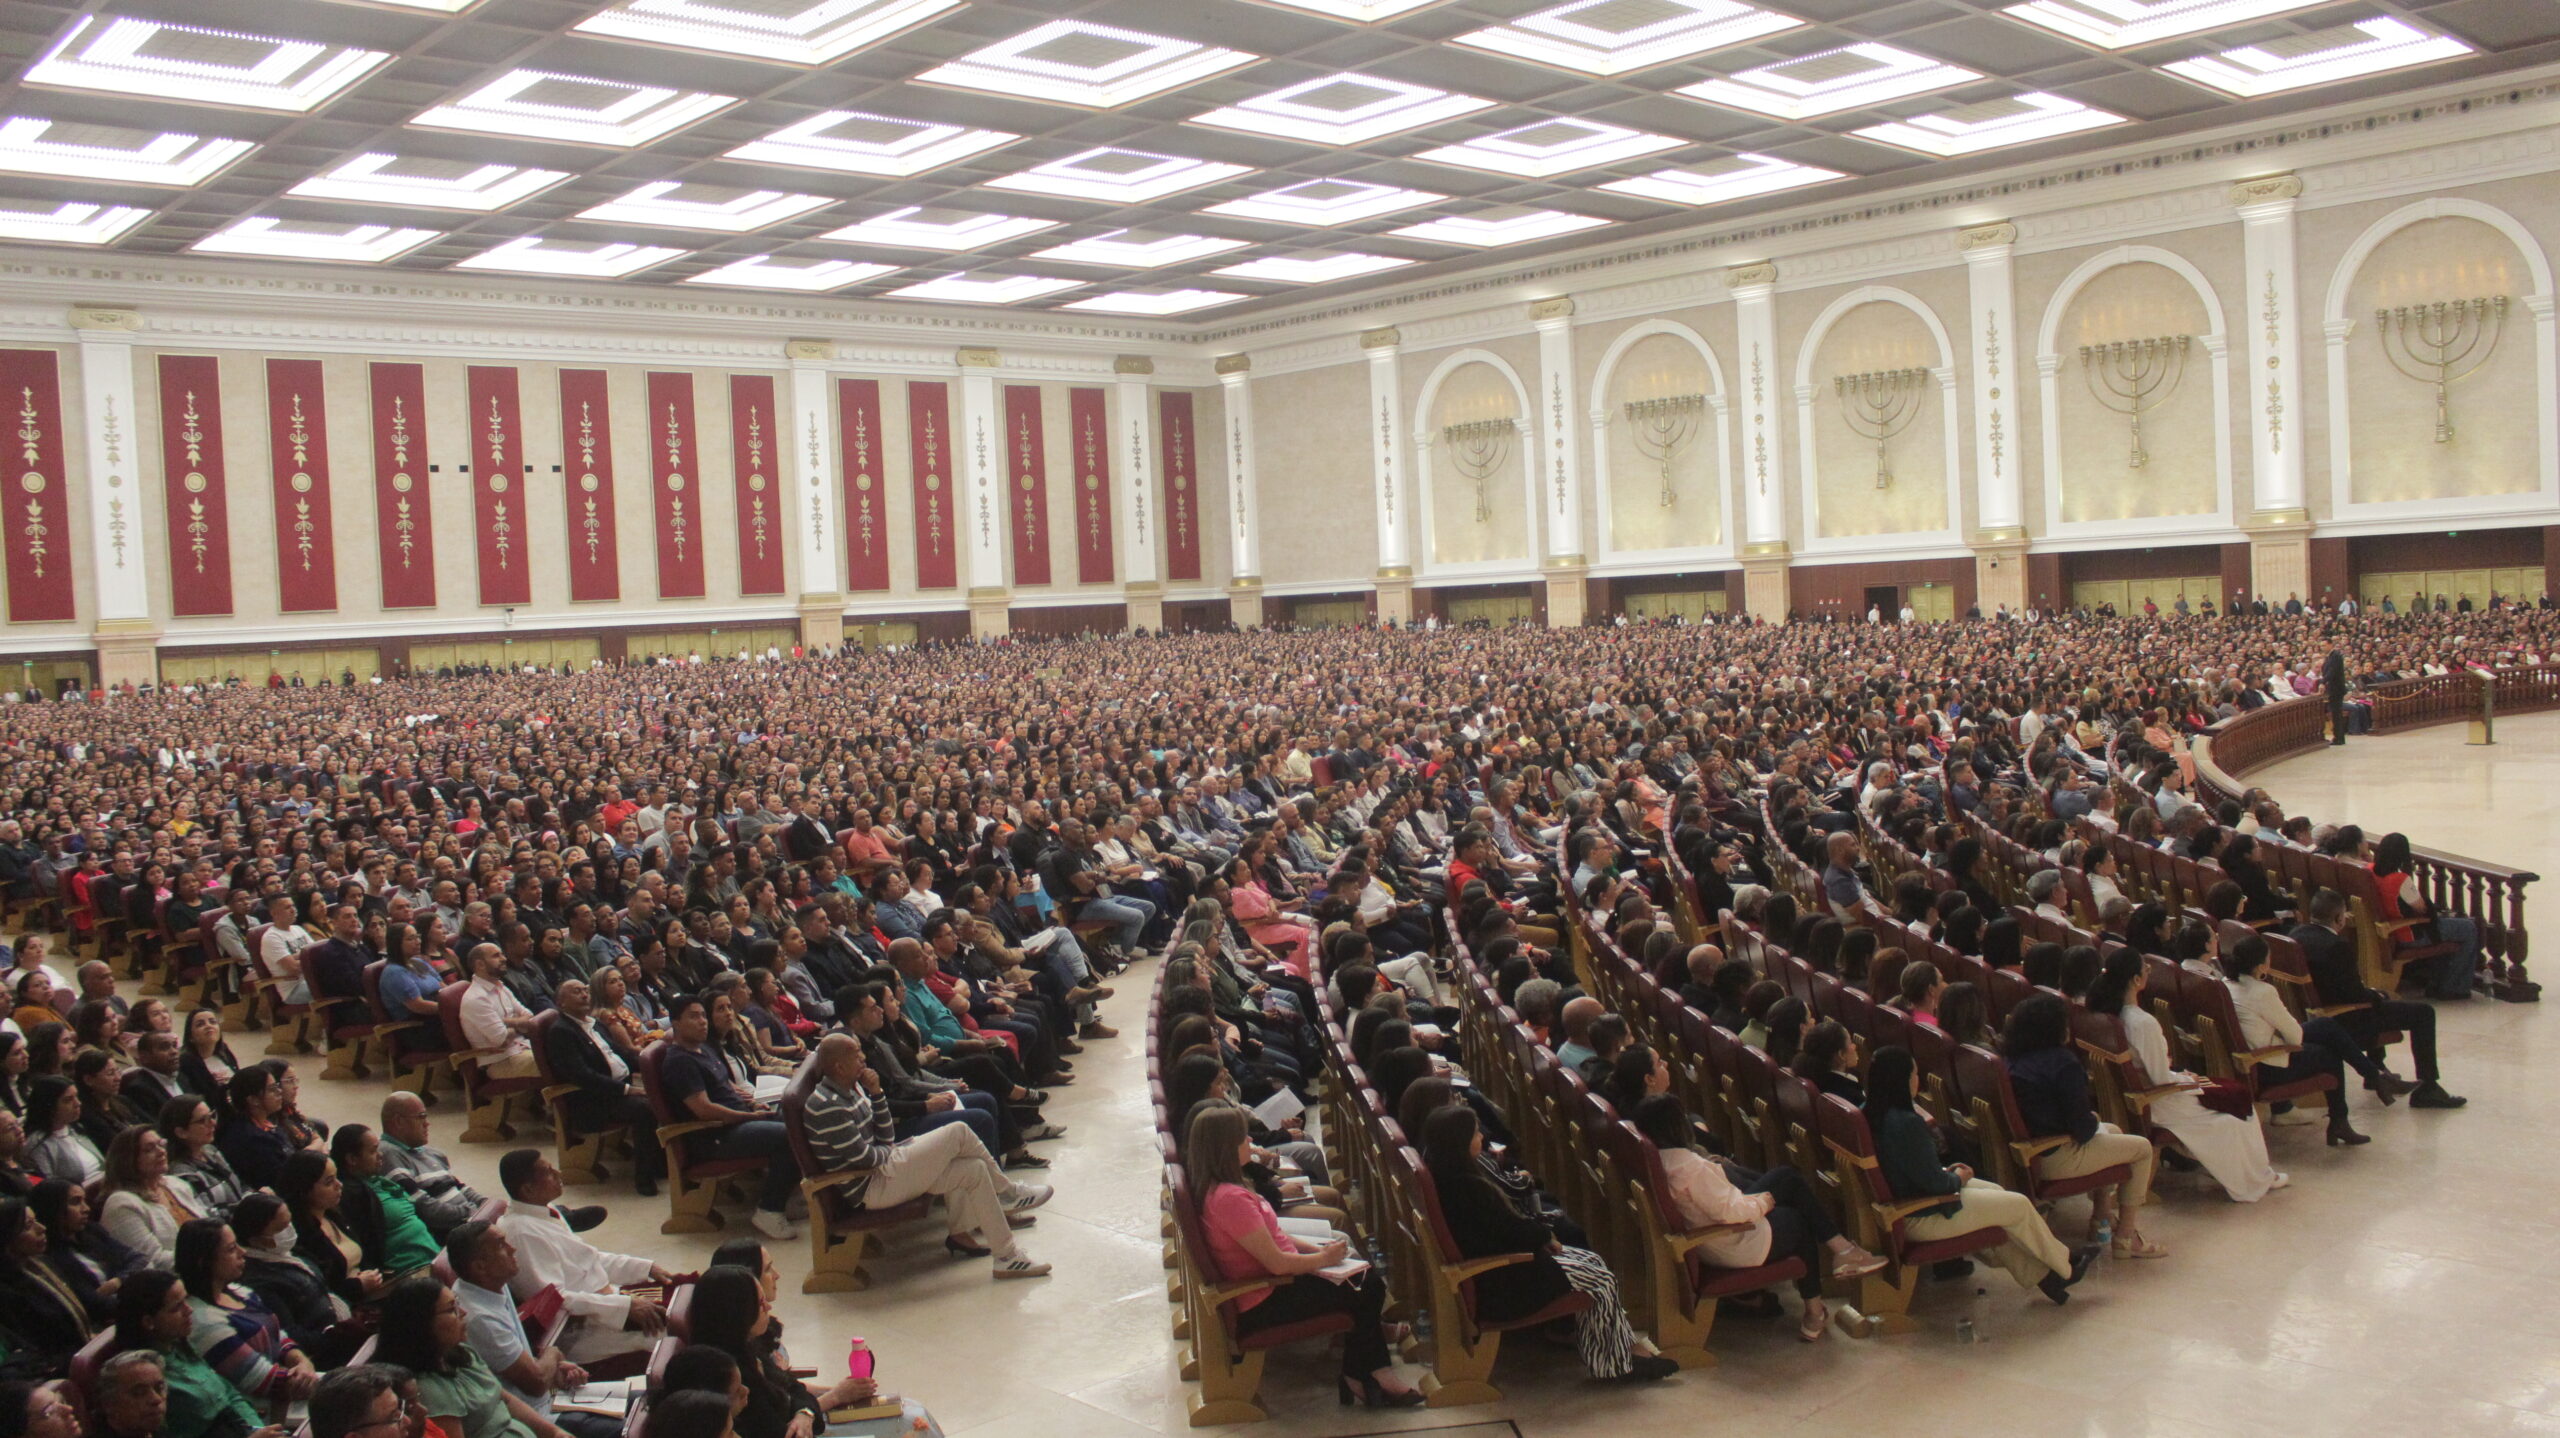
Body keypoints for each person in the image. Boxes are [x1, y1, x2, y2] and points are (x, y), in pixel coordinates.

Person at [1181, 1105, 1420, 1406]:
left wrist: (1315, 1249)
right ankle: (1367, 1374)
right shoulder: (1230, 1199)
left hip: (1268, 1284)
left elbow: (1270, 1235)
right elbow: (1278, 1264)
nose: (1250, 1144)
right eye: (1243, 1139)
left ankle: (1365, 1373)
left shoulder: (1224, 1187)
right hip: (1262, 1300)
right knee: (1367, 1284)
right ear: (1225, 1147)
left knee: (1362, 1278)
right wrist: (1324, 1260)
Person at [1418, 1105, 1675, 1382]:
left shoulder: (1449, 1175)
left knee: (1593, 1261)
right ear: (1459, 1141)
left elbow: (1506, 1228)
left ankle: (1625, 1350)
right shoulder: (1466, 1187)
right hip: (1502, 1280)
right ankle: (1614, 1366)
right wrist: (1543, 1236)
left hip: (1503, 1267)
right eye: (1475, 1133)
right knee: (1600, 1280)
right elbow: (1510, 1229)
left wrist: (1540, 1235)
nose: (1481, 1137)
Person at [1629, 1094, 1880, 1340]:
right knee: (1797, 1214)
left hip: (1707, 1240)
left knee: (1783, 1181)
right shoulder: (1690, 1168)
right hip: (1730, 1241)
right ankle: (1824, 1291)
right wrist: (1762, 1202)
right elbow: (1731, 1212)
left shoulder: (1655, 1160)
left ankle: (1834, 1272)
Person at [799, 1034, 1050, 1278]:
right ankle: (1008, 1192)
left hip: (882, 1168)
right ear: (839, 1067)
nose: (863, 1059)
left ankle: (1007, 1257)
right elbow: (863, 1159)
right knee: (959, 1131)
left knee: (973, 1169)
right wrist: (892, 1150)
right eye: (856, 1055)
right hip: (869, 1186)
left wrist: (876, 1093)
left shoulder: (851, 1088)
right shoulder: (828, 1105)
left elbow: (884, 1136)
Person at [1866, 1047, 2092, 1302]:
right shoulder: (1906, 1123)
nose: (1918, 1079)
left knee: (1997, 1196)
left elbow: (1912, 1168)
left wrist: (1946, 1172)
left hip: (1907, 1202)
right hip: (1921, 1215)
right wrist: (1959, 1177)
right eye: (1915, 1074)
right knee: (2018, 1205)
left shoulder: (1871, 1111)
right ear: (1903, 1080)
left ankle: (2045, 1277)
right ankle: (2065, 1267)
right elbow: (1938, 1185)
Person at [2086, 950, 2290, 1198]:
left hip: (2140, 1093)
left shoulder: (2108, 1014)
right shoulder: (2142, 1022)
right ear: (2135, 980)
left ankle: (2239, 1170)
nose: (2149, 972)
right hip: (2160, 1099)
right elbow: (2161, 1079)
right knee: (2237, 1107)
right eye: (2146, 969)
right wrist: (2187, 1080)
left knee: (2231, 1093)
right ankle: (2255, 1180)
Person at [2003, 996, 2162, 1258]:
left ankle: (2101, 1218)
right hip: (2056, 1156)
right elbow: (2084, 1130)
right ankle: (2126, 1236)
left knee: (2114, 1132)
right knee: (2142, 1148)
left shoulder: (2013, 1058)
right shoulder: (2062, 1063)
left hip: (2031, 1153)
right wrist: (2093, 1118)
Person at [490, 1150, 673, 1364]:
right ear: (528, 1189)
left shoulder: (543, 1209)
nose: (558, 1173)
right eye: (548, 1173)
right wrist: (624, 1306)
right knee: (675, 1329)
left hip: (607, 1301)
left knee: (686, 1290)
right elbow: (554, 1301)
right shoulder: (522, 1232)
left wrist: (645, 1268)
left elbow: (588, 1258)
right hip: (585, 1328)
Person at [2293, 888, 2464, 1108]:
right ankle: (2428, 1088)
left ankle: (2377, 1069)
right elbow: (2354, 994)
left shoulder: (2295, 935)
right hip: (2344, 1021)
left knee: (2377, 1001)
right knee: (2423, 1013)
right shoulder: (2336, 946)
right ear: (2338, 918)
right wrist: (2376, 994)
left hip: (2312, 1015)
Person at [444, 1222, 613, 1438]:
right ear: (480, 1267)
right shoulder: (479, 1318)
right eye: (500, 1245)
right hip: (537, 1417)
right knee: (629, 1426)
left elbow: (532, 1369)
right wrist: (553, 1353)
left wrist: (555, 1366)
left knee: (643, 1399)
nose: (512, 1248)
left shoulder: (491, 1284)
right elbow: (537, 1384)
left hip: (553, 1398)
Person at [654, 995, 800, 1239]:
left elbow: (728, 1089)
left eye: (703, 1015)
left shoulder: (704, 1050)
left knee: (795, 1117)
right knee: (788, 1136)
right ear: (676, 1023)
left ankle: (788, 1197)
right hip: (713, 1135)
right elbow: (704, 1109)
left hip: (735, 1121)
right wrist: (746, 1115)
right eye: (693, 1016)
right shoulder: (680, 1062)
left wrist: (752, 1104)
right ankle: (769, 1210)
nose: (702, 1021)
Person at [685, 1265, 878, 1438]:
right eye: (760, 1303)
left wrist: (805, 1413)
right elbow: (781, 1431)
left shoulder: (747, 1346)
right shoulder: (728, 1373)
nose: (768, 1306)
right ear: (737, 1313)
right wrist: (833, 1397)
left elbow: (794, 1389)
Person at [372, 1274, 574, 1438]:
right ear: (421, 1325)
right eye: (452, 1309)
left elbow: (504, 1399)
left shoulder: (459, 1353)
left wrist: (555, 1433)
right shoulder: (427, 1391)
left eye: (457, 1303)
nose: (463, 1312)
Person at [112, 1270, 279, 1438]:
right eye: (177, 1307)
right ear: (148, 1322)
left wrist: (256, 1429)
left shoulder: (180, 1346)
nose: (189, 1310)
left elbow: (229, 1394)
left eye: (186, 1300)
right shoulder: (145, 1377)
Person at [173, 1218, 320, 1408]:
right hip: (262, 1411)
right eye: (231, 1249)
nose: (243, 1252)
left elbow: (279, 1336)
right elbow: (261, 1381)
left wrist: (302, 1361)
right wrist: (306, 1377)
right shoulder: (201, 1319)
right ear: (204, 1262)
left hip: (290, 1392)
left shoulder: (240, 1291)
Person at [539, 979, 662, 1196]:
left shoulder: (594, 1023)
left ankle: (662, 1163)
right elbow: (582, 1076)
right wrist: (627, 1090)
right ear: (561, 1002)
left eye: (586, 990)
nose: (584, 995)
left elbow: (621, 1053)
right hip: (591, 1101)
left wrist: (651, 1067)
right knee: (646, 1109)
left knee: (666, 1089)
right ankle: (646, 1176)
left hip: (617, 1086)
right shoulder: (562, 1032)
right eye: (576, 992)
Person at [376, 1094, 505, 1238]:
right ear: (398, 1121)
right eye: (421, 1117)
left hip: (469, 1222)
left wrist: (486, 1204)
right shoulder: (388, 1154)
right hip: (451, 1233)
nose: (427, 1123)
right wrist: (473, 1214)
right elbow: (425, 1208)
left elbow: (459, 1187)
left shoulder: (432, 1153)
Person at [328, 1126, 439, 1279]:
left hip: (432, 1259)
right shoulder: (352, 1195)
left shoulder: (379, 1181)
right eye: (373, 1151)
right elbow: (367, 1245)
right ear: (352, 1159)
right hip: (407, 1272)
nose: (380, 1156)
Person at [101, 1125, 205, 1267]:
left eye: (161, 1144)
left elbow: (209, 1228)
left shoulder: (176, 1184)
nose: (161, 1152)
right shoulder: (121, 1205)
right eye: (149, 1149)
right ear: (128, 1159)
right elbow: (154, 1261)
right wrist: (209, 1258)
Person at [458, 945, 541, 1080]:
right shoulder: (476, 999)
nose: (504, 959)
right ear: (480, 965)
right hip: (501, 1062)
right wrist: (520, 1024)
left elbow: (530, 1017)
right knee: (558, 1062)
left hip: (522, 1049)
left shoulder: (500, 986)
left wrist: (507, 1022)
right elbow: (501, 1040)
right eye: (496, 956)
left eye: (502, 954)